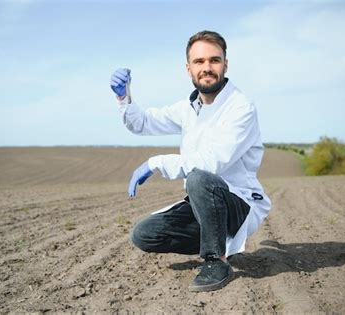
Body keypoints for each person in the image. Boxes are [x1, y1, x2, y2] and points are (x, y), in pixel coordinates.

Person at [109, 30, 271, 292]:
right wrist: (123, 97)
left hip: (238, 202)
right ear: (188, 69)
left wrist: (156, 163)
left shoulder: (240, 107)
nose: (207, 68)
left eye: (214, 60)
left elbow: (211, 164)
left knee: (199, 177)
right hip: (204, 203)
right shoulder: (189, 107)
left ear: (225, 64)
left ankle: (215, 261)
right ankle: (214, 238)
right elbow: (142, 123)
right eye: (199, 62)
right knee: (145, 234)